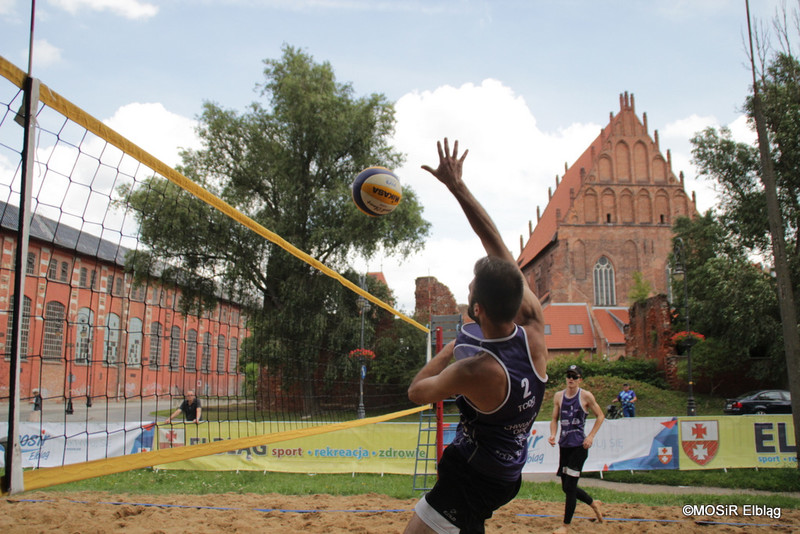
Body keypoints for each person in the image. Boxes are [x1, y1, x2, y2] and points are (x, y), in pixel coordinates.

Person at [404, 138, 549, 534]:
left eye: (471, 287)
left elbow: (417, 392)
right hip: (507, 471)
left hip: (475, 474)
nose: (468, 286)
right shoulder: (534, 327)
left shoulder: (476, 369)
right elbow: (495, 242)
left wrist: (451, 346)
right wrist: (457, 186)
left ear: (478, 309)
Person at [548, 364, 605, 533]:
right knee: (566, 487)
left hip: (579, 446)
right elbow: (554, 419)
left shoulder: (585, 395)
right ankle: (593, 503)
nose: (570, 379)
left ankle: (566, 526)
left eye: (574, 376)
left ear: (580, 379)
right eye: (568, 376)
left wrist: (591, 436)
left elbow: (600, 416)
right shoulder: (558, 396)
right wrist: (553, 434)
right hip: (564, 445)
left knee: (570, 488)